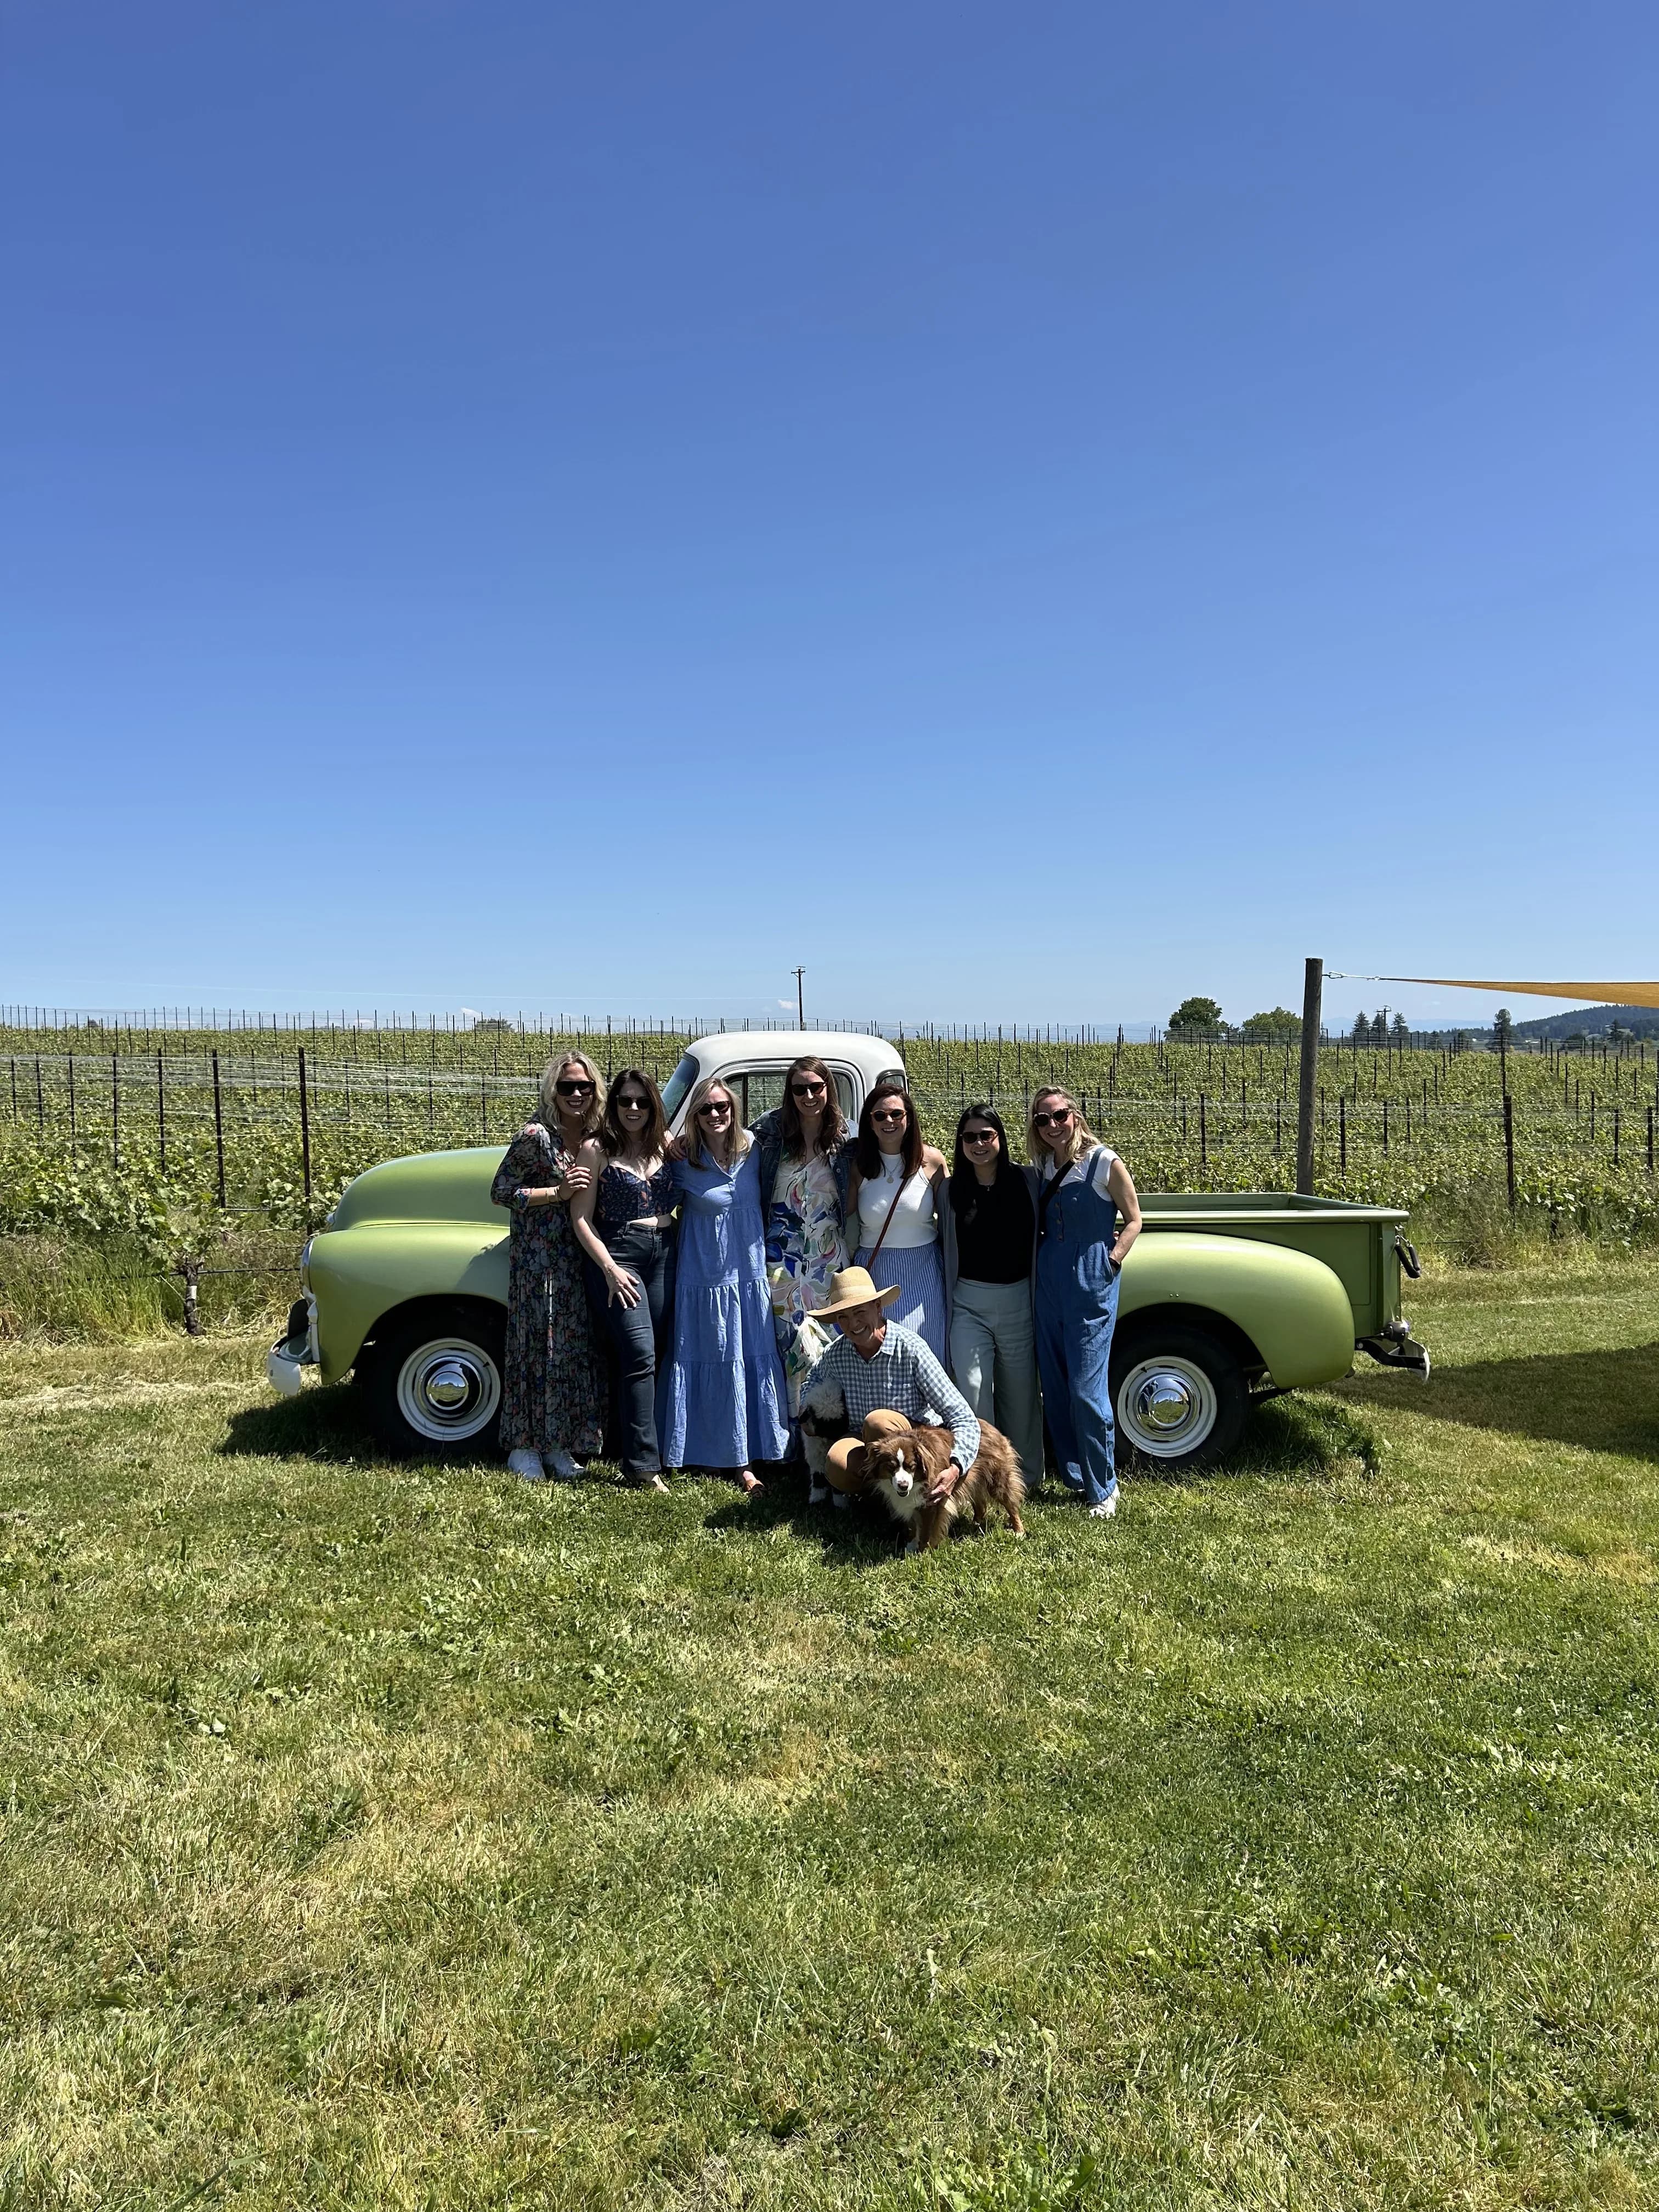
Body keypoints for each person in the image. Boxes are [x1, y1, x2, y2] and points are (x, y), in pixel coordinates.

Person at [659, 1075, 790, 1494]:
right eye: (705, 1109)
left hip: (749, 1277)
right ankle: (708, 1451)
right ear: (694, 1116)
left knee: (748, 1357)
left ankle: (746, 1461)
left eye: (722, 1107)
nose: (715, 1114)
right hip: (704, 1280)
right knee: (711, 1355)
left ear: (734, 1110)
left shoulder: (756, 1150)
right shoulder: (681, 1160)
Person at [489, 1050, 607, 1481]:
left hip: (577, 1260)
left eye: (585, 1086)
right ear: (552, 1090)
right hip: (538, 1261)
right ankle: (523, 1446)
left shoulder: (595, 1136)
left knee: (568, 1353)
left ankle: (558, 1444)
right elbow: (501, 1191)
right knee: (534, 1350)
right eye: (567, 1087)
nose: (576, 1094)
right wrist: (555, 1192)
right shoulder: (536, 1136)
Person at [1027, 1085, 1143, 1519]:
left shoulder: (1103, 1162)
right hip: (1050, 1279)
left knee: (1085, 1388)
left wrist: (1112, 1260)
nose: (1053, 1125)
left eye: (1060, 1115)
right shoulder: (1043, 1164)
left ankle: (1104, 1484)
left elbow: (1134, 1219)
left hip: (1089, 1277)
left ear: (1075, 1115)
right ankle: (1076, 1474)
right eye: (1043, 1119)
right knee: (1055, 1385)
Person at [570, 1068, 676, 1492]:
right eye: (625, 1101)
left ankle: (630, 1445)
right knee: (639, 1353)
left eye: (642, 1102)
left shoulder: (666, 1146)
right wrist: (610, 1269)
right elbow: (580, 1217)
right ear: (612, 1105)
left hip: (666, 1249)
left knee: (658, 1352)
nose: (633, 1108)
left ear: (654, 1106)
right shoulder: (596, 1150)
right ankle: (642, 1466)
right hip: (620, 1253)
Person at [797, 1266, 982, 1506]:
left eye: (859, 1312)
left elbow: (963, 1417)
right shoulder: (837, 1353)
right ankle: (882, 1503)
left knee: (878, 1423)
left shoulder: (911, 1349)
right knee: (836, 1463)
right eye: (843, 1316)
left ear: (878, 1307)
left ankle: (916, 1504)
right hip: (866, 1443)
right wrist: (807, 1413)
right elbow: (811, 1381)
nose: (853, 1324)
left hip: (917, 1443)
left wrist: (956, 1467)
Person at [751, 1055, 857, 1453]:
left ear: (829, 1088)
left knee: (828, 1347)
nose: (809, 1095)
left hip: (829, 1260)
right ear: (789, 1093)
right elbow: (722, 1144)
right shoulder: (768, 1135)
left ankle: (831, 1443)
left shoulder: (847, 1140)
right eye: (800, 1089)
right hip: (781, 1261)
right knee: (789, 1347)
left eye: (817, 1087)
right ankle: (792, 1445)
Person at [941, 1104, 1045, 1485]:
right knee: (972, 1390)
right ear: (961, 1143)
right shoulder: (949, 1191)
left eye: (987, 1135)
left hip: (1018, 1301)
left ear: (1000, 1138)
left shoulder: (1029, 1182)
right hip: (968, 1303)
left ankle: (1026, 1477)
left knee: (1021, 1398)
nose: (979, 1143)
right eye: (970, 1137)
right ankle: (980, 1478)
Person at [846, 1081, 949, 1362]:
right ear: (870, 1121)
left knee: (926, 1355)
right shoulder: (860, 1166)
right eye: (880, 1116)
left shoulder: (931, 1161)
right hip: (875, 1274)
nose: (888, 1121)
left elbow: (951, 1220)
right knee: (881, 1357)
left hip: (924, 1271)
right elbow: (844, 1220)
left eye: (896, 1114)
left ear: (909, 1118)